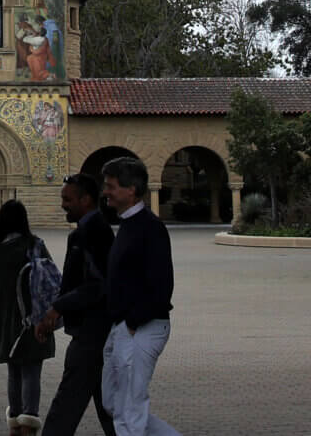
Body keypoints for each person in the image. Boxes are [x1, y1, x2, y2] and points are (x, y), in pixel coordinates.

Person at [98, 157, 179, 435]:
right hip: (125, 326)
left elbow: (161, 284)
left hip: (142, 327)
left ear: (130, 190)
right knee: (112, 402)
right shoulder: (128, 225)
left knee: (128, 409)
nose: (105, 192)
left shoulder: (150, 227)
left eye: (110, 186)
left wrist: (133, 323)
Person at [37, 173, 116, 436]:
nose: (63, 205)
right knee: (110, 406)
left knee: (68, 402)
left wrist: (58, 307)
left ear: (86, 199)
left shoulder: (93, 232)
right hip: (97, 330)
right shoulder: (90, 230)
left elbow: (96, 284)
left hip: (92, 333)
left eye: (68, 199)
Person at [0, 197, 56, 435]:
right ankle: (29, 420)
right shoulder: (35, 245)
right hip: (36, 319)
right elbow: (51, 281)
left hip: (7, 323)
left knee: (14, 371)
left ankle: (16, 421)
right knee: (31, 371)